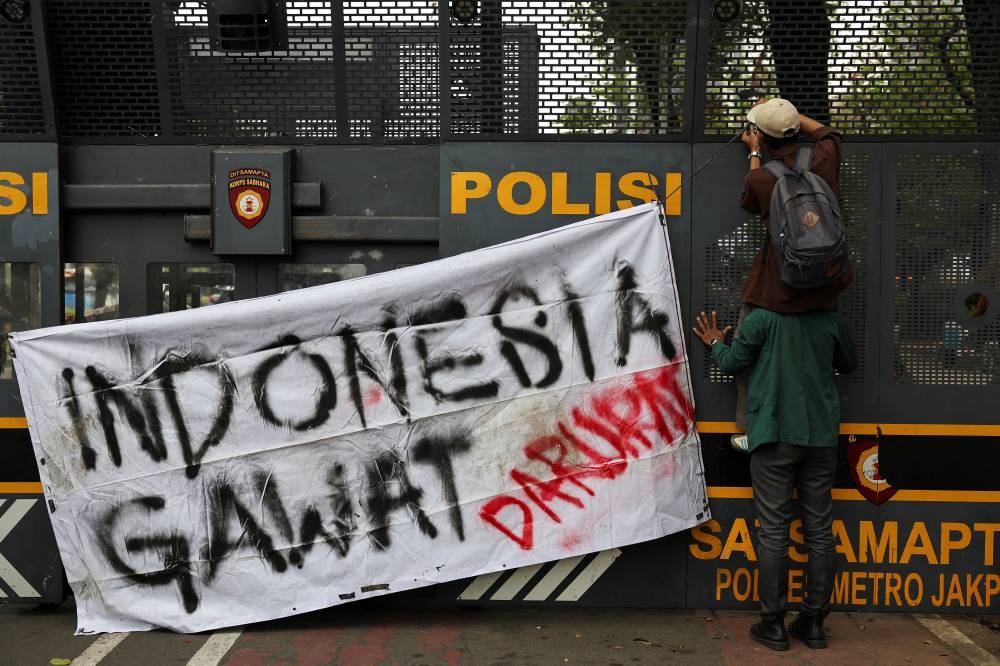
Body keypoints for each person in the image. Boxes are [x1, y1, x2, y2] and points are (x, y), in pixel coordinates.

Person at [693, 307, 857, 651]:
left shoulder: (762, 319)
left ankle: (773, 624)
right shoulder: (829, 318)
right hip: (821, 438)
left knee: (773, 531)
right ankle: (813, 623)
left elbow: (732, 363)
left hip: (774, 437)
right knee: (820, 531)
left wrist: (714, 343)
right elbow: (849, 362)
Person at [731, 97, 853, 451]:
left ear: (762, 138)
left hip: (777, 292)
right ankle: (815, 429)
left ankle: (752, 427)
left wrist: (754, 152)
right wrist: (789, 114)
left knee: (747, 352)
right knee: (814, 367)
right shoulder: (824, 159)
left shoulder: (760, 179)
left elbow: (750, 201)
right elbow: (829, 133)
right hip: (824, 287)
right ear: (794, 131)